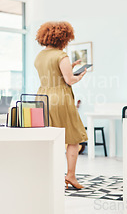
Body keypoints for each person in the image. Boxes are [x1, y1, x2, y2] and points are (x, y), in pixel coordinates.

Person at [34, 21, 88, 189]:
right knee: (74, 138)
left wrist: (69, 68)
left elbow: (53, 73)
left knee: (50, 137)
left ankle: (50, 176)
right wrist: (80, 75)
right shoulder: (61, 55)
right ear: (63, 38)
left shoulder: (40, 56)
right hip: (60, 98)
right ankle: (70, 175)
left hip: (42, 98)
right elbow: (69, 80)